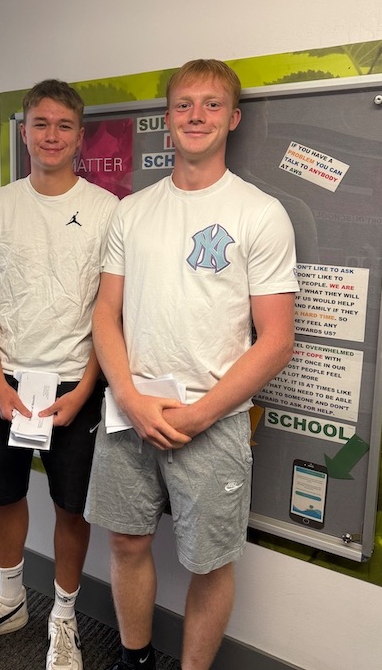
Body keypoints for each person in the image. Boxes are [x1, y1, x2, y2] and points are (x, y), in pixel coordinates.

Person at [84, 59, 299, 670]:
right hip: (133, 409)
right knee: (126, 540)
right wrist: (127, 394)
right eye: (184, 105)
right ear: (167, 120)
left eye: (210, 105)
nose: (196, 115)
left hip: (216, 416)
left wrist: (201, 414)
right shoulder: (133, 211)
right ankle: (135, 658)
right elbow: (106, 313)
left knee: (209, 559)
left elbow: (276, 339)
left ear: (232, 118)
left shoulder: (260, 213)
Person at [0, 79, 118, 670]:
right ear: (24, 132)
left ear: (80, 136)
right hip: (7, 379)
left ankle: (63, 618)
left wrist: (87, 387)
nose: (51, 135)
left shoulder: (105, 211)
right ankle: (9, 599)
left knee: (72, 505)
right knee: (4, 492)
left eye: (64, 125)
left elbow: (110, 313)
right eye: (40, 123)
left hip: (75, 386)